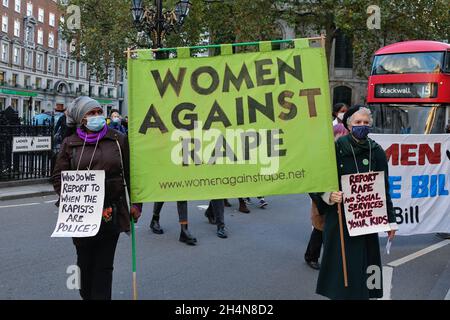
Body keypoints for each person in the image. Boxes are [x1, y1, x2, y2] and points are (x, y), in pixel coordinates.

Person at [52, 96, 142, 300]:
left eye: (99, 112)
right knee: (84, 264)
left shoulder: (118, 139)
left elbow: (132, 173)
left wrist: (137, 204)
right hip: (81, 216)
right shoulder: (70, 143)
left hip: (111, 212)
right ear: (81, 119)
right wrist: (73, 198)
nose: (97, 116)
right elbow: (58, 176)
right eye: (91, 113)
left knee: (104, 267)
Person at [313, 106, 398, 300]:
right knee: (341, 269)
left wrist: (390, 221)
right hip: (340, 220)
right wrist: (328, 195)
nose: (362, 126)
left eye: (366, 122)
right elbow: (316, 180)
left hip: (367, 221)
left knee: (366, 268)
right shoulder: (335, 148)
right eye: (358, 122)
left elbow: (384, 189)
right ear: (349, 125)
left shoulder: (376, 151)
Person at [305, 123, 349, 270]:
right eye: (340, 136)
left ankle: (330, 258)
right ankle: (311, 257)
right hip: (321, 196)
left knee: (331, 229)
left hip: (337, 196)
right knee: (320, 228)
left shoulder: (345, 152)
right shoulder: (323, 153)